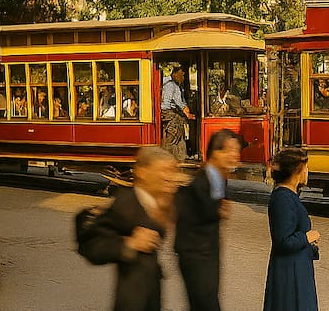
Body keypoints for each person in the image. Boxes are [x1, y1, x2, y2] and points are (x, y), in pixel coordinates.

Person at [80, 146, 180, 311]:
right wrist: (129, 244)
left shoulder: (158, 200)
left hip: (150, 296)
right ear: (142, 172)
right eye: (163, 171)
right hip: (132, 301)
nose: (169, 177)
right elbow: (91, 246)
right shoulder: (124, 204)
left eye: (171, 171)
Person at [176, 129, 241, 311]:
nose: (235, 155)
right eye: (229, 150)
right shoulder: (199, 182)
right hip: (196, 256)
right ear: (215, 152)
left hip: (210, 254)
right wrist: (217, 211)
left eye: (236, 150)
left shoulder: (220, 178)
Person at [263, 147, 319, 311]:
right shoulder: (282, 198)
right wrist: (307, 237)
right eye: (306, 167)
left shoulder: (289, 196)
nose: (308, 171)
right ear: (297, 170)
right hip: (289, 273)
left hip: (297, 268)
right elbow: (283, 241)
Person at [161, 65, 193, 161]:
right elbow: (179, 102)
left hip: (172, 111)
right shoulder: (171, 85)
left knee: (181, 128)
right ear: (174, 74)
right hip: (167, 112)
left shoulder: (176, 86)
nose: (182, 78)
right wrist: (187, 112)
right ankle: (166, 155)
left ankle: (181, 155)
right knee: (174, 130)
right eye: (181, 75)